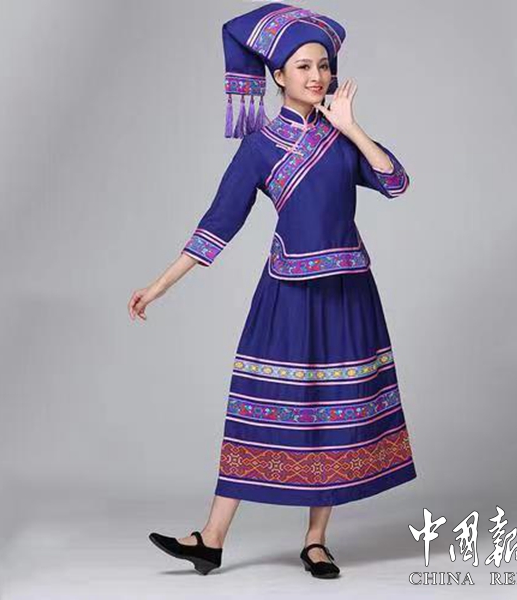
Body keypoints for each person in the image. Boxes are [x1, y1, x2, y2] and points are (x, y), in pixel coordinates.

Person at [128, 2, 416, 579]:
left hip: (348, 293)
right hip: (287, 294)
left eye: (324, 66)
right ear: (277, 75)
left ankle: (316, 541)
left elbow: (396, 181)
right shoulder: (259, 145)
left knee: (335, 413)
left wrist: (351, 127)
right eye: (303, 66)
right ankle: (211, 538)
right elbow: (220, 221)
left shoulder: (340, 139)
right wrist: (159, 285)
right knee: (256, 407)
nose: (317, 76)